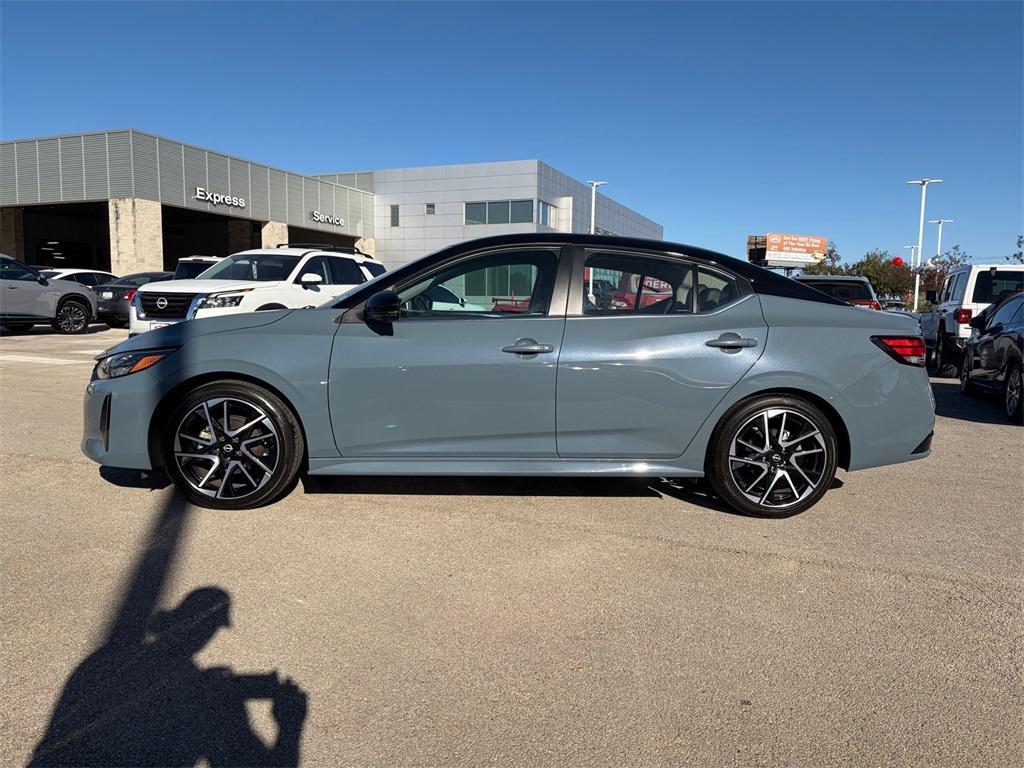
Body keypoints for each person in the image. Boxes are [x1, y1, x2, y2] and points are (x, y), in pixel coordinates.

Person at [29, 587, 307, 767]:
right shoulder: (193, 683)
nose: (208, 636)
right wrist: (289, 725)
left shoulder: (104, 659)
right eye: (209, 627)